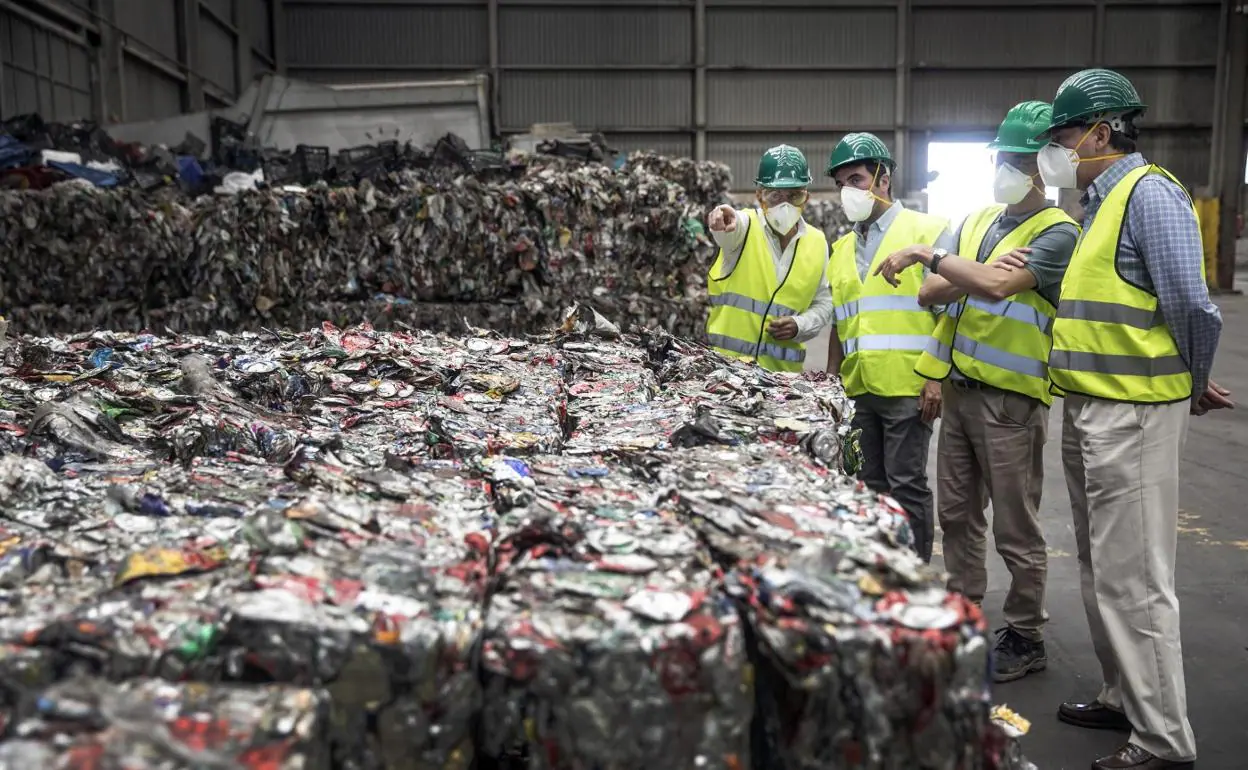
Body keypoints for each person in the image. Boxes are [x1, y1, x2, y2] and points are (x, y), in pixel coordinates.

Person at [1026, 68, 1229, 770]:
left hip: (1133, 414)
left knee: (1136, 578)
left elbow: (1194, 307)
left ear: (1101, 133)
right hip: (1090, 407)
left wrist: (1191, 383)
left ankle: (1164, 740)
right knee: (1101, 568)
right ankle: (1123, 696)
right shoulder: (1098, 206)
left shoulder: (1151, 195)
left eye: (1062, 138)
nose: (1055, 152)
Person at [875, 101, 1079, 684]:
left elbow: (985, 286)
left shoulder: (1059, 233)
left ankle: (1025, 631)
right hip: (960, 394)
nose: (1006, 169)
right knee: (958, 514)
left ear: (1044, 166)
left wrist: (945, 261)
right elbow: (932, 295)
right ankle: (964, 605)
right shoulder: (980, 221)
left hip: (1011, 401)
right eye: (1002, 158)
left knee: (1016, 521)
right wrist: (977, 270)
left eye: (1017, 160)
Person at [824, 132, 954, 562]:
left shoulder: (926, 231)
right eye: (842, 183)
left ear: (884, 178)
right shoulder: (841, 248)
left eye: (857, 179)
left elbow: (950, 312)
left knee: (907, 483)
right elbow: (841, 325)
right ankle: (881, 568)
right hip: (859, 389)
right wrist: (831, 385)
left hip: (907, 386)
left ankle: (915, 573)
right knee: (868, 484)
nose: (849, 191)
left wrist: (935, 378)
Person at [704, 145, 833, 373]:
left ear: (806, 196)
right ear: (759, 196)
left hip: (783, 380)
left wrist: (799, 325)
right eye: (775, 195)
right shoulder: (745, 227)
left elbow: (823, 302)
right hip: (728, 376)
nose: (784, 205)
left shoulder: (817, 241)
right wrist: (723, 218)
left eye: (794, 195)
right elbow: (730, 227)